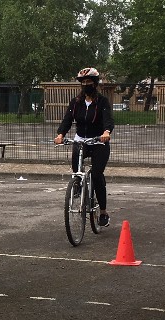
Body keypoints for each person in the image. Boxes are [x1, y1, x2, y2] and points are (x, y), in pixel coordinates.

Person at [54, 67, 114, 227]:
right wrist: (60, 135)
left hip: (98, 141)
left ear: (95, 84)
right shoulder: (76, 102)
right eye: (83, 82)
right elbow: (67, 119)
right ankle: (78, 185)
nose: (86, 84)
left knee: (96, 175)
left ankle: (103, 212)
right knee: (77, 170)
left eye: (89, 82)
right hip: (81, 140)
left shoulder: (102, 102)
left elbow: (108, 119)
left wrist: (106, 132)